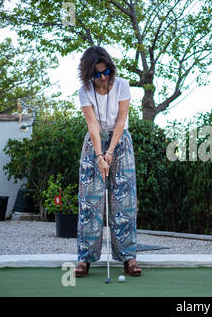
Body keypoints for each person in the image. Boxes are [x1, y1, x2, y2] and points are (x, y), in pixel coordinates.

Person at [73, 45, 141, 277]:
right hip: (94, 144)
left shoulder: (122, 85)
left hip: (120, 142)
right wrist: (100, 155)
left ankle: (128, 257)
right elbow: (92, 124)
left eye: (106, 72)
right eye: (97, 74)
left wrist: (110, 152)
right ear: (89, 74)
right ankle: (85, 258)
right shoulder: (84, 91)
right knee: (89, 202)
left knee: (125, 201)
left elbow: (121, 121)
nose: (103, 78)